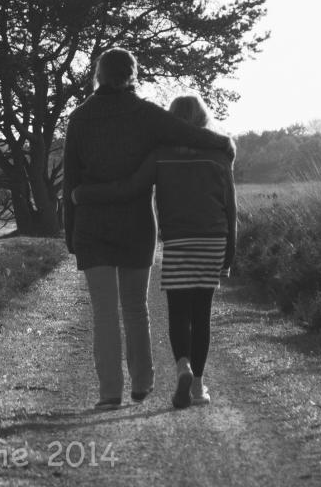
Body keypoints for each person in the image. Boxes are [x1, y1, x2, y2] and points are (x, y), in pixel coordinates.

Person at [63, 49, 234, 410]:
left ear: (98, 75)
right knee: (135, 307)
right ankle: (142, 383)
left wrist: (70, 230)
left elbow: (71, 180)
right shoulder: (147, 114)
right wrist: (223, 144)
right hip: (136, 225)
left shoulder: (78, 118)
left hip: (92, 225)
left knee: (104, 312)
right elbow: (190, 133)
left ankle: (110, 393)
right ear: (133, 75)